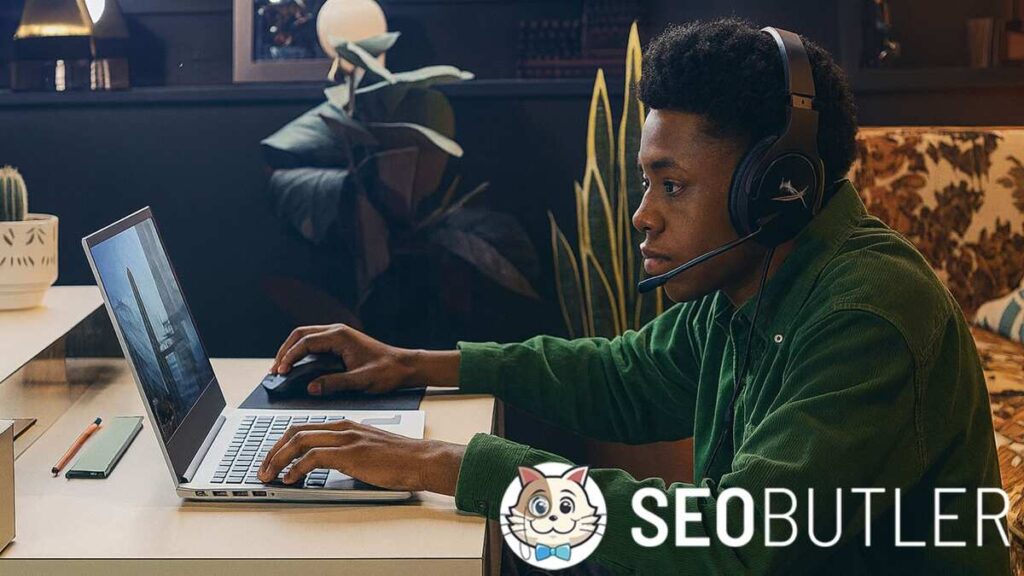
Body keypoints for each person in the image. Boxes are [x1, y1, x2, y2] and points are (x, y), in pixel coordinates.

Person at [257, 18, 1011, 574]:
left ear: (773, 191)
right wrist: (411, 363)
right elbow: (623, 377)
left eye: (672, 185)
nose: (642, 214)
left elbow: (728, 542)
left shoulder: (866, 316)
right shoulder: (752, 280)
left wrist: (442, 466)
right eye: (646, 182)